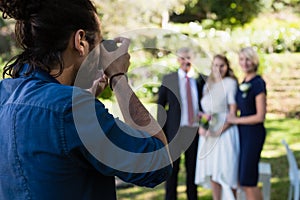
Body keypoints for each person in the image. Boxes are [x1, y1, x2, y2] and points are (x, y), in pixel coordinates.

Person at [0, 0, 172, 200]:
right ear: (80, 42)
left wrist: (84, 99)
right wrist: (118, 78)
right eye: (98, 44)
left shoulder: (5, 94)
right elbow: (158, 162)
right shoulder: (71, 109)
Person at [157, 47, 206, 200]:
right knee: (172, 172)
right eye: (183, 58)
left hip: (194, 132)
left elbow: (203, 106)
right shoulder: (169, 79)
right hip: (174, 133)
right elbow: (160, 107)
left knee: (192, 171)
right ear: (178, 60)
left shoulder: (199, 81)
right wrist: (161, 134)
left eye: (189, 57)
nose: (186, 61)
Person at [194, 54, 240, 200]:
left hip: (225, 134)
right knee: (213, 172)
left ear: (227, 67)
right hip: (208, 136)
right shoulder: (208, 84)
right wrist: (203, 126)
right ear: (211, 67)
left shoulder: (230, 83)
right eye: (216, 65)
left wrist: (218, 131)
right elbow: (205, 113)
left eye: (222, 65)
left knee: (227, 172)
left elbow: (233, 113)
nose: (219, 69)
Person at [227, 47, 267, 200]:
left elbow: (260, 116)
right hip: (242, 134)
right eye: (242, 59)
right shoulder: (242, 82)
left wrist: (236, 120)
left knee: (248, 180)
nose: (245, 63)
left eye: (248, 59)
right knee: (244, 180)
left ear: (254, 61)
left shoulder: (258, 83)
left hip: (253, 134)